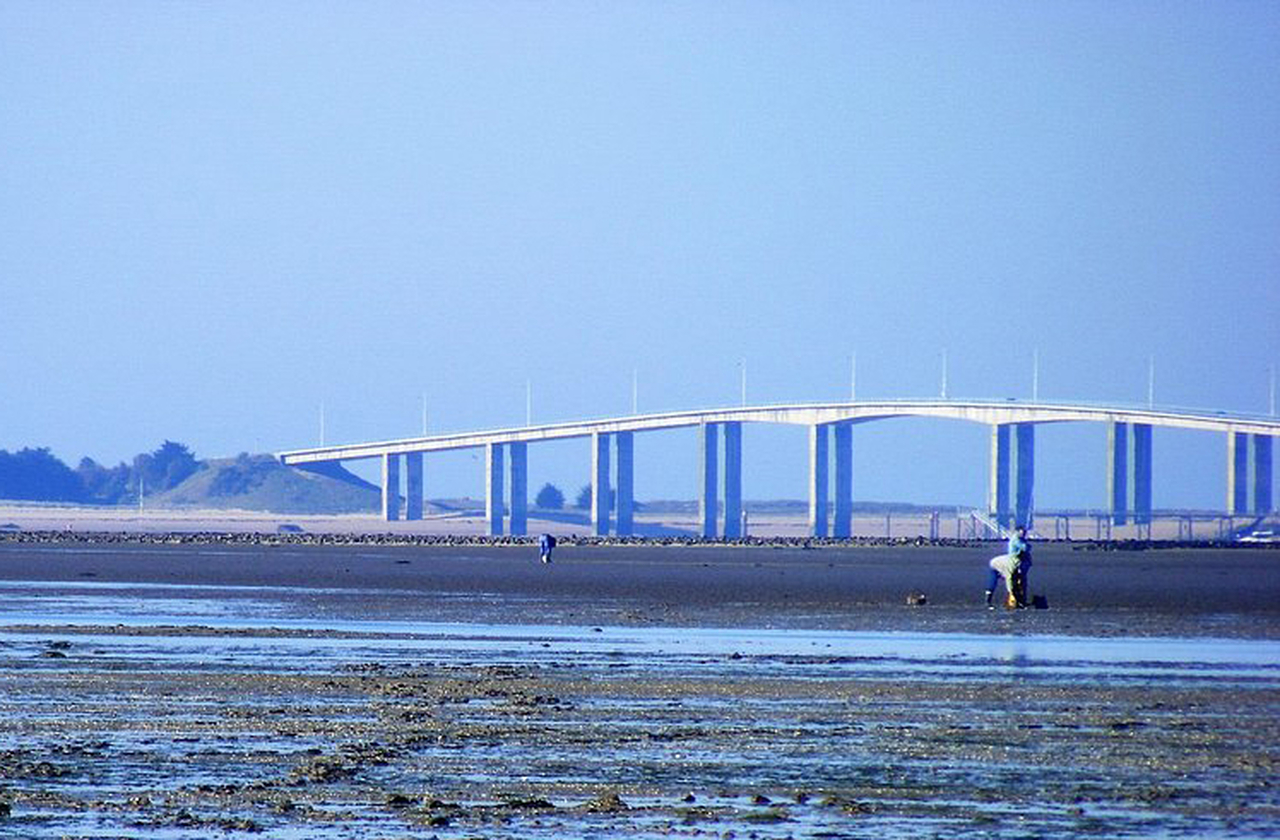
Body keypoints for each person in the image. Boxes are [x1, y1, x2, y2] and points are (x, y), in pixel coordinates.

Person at [1008, 525, 1032, 608]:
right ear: (1017, 531)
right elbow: (1025, 548)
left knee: (1022, 582)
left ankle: (1022, 600)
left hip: (1022, 563)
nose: (1024, 534)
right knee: (1017, 583)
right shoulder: (1016, 540)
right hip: (1016, 563)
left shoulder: (1021, 539)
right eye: (1022, 532)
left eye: (1025, 533)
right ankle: (1016, 601)